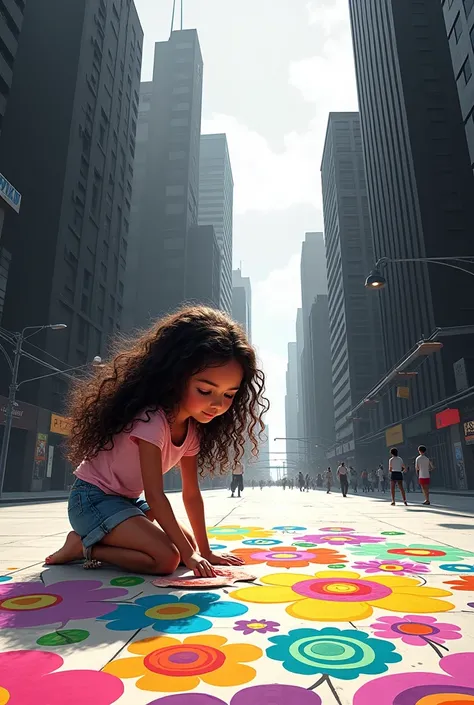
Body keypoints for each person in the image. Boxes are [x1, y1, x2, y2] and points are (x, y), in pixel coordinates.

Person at [45, 306, 268, 577]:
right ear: (176, 378)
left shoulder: (193, 430)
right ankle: (83, 547)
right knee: (167, 559)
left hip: (126, 502)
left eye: (229, 395)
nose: (217, 404)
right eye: (205, 390)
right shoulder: (151, 422)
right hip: (91, 500)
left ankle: (101, 540)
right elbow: (155, 494)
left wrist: (203, 551)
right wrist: (188, 554)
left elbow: (191, 495)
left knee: (190, 549)